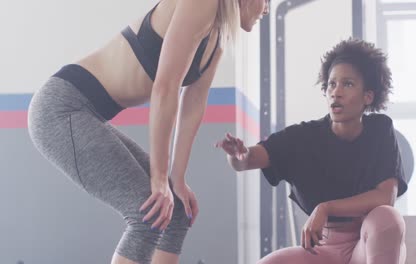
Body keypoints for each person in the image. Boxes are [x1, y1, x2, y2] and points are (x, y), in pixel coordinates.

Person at [27, 0, 270, 263]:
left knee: (176, 212)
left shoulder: (220, 31)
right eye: (267, 0)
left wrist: (176, 178)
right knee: (150, 214)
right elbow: (165, 88)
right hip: (62, 108)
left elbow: (194, 99)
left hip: (87, 112)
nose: (266, 9)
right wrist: (159, 177)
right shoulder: (203, 2)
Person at [216, 38, 408, 264]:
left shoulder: (380, 129)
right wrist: (238, 155)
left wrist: (325, 208)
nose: (336, 92)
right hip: (322, 251)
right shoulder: (303, 137)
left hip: (366, 246)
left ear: (368, 96)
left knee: (387, 218)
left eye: (347, 84)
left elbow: (386, 196)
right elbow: (246, 161)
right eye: (331, 84)